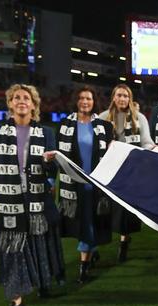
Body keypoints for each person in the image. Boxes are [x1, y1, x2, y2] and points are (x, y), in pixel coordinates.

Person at [0, 84, 65, 306]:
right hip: (8, 200)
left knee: (40, 244)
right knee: (12, 248)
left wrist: (48, 163)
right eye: (17, 98)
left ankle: (44, 285)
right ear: (10, 103)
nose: (21, 101)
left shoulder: (46, 133)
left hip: (36, 198)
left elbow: (53, 170)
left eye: (26, 98)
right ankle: (16, 298)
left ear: (34, 105)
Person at [55, 86, 114, 283]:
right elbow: (57, 155)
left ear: (94, 101)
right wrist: (49, 179)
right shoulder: (64, 125)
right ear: (76, 101)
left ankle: (84, 268)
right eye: (81, 98)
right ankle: (91, 250)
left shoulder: (104, 127)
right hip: (73, 186)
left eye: (88, 98)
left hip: (95, 185)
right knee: (83, 223)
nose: (85, 102)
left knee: (88, 224)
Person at [99, 84, 155, 262]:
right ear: (114, 97)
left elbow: (146, 142)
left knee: (125, 209)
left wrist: (151, 150)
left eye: (125, 96)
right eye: (119, 95)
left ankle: (123, 242)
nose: (122, 99)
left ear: (130, 99)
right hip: (109, 170)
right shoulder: (102, 118)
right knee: (108, 207)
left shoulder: (139, 118)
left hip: (131, 171)